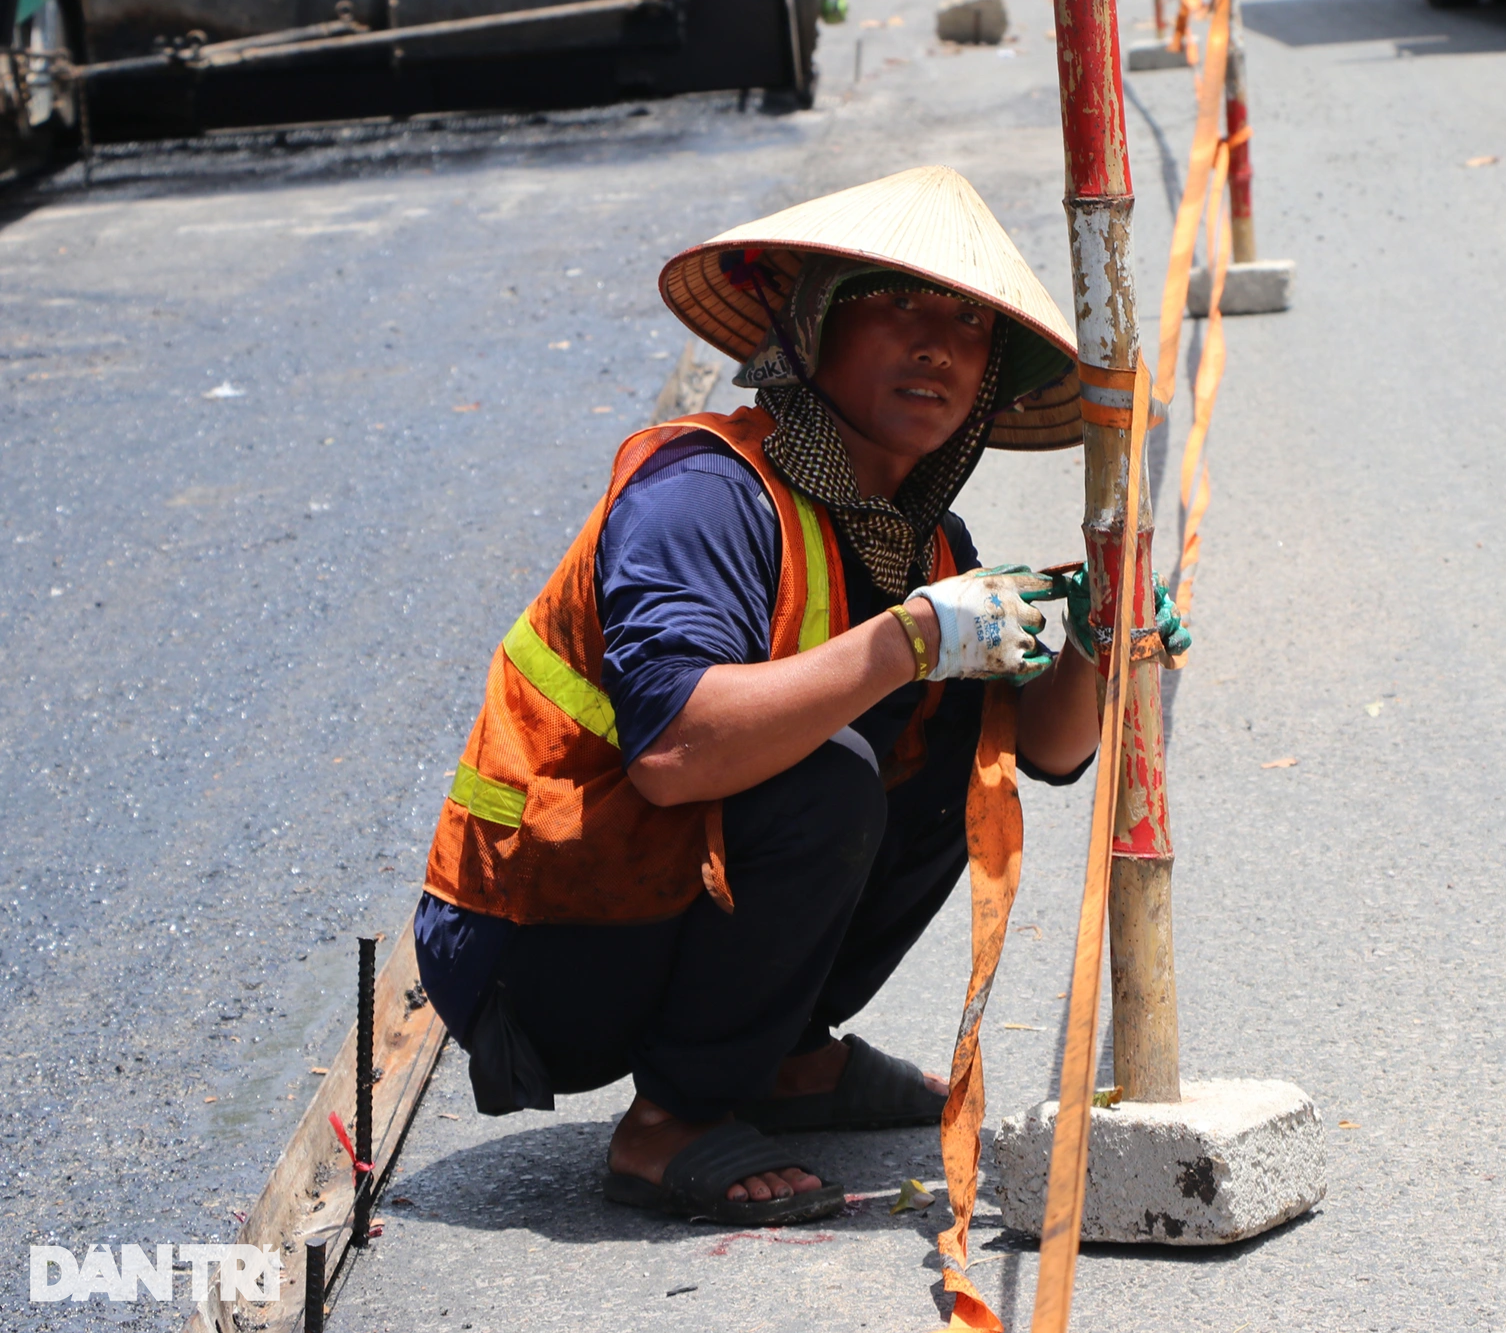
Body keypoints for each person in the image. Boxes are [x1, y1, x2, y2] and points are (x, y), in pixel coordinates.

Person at [412, 166, 1188, 1226]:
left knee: (955, 717)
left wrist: (1102, 632)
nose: (936, 345)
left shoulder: (923, 538)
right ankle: (667, 1126)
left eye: (967, 326)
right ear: (812, 328)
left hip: (643, 900)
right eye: (896, 302)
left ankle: (782, 1056)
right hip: (533, 935)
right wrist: (911, 637)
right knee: (826, 775)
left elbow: (1042, 753)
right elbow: (674, 752)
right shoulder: (703, 494)